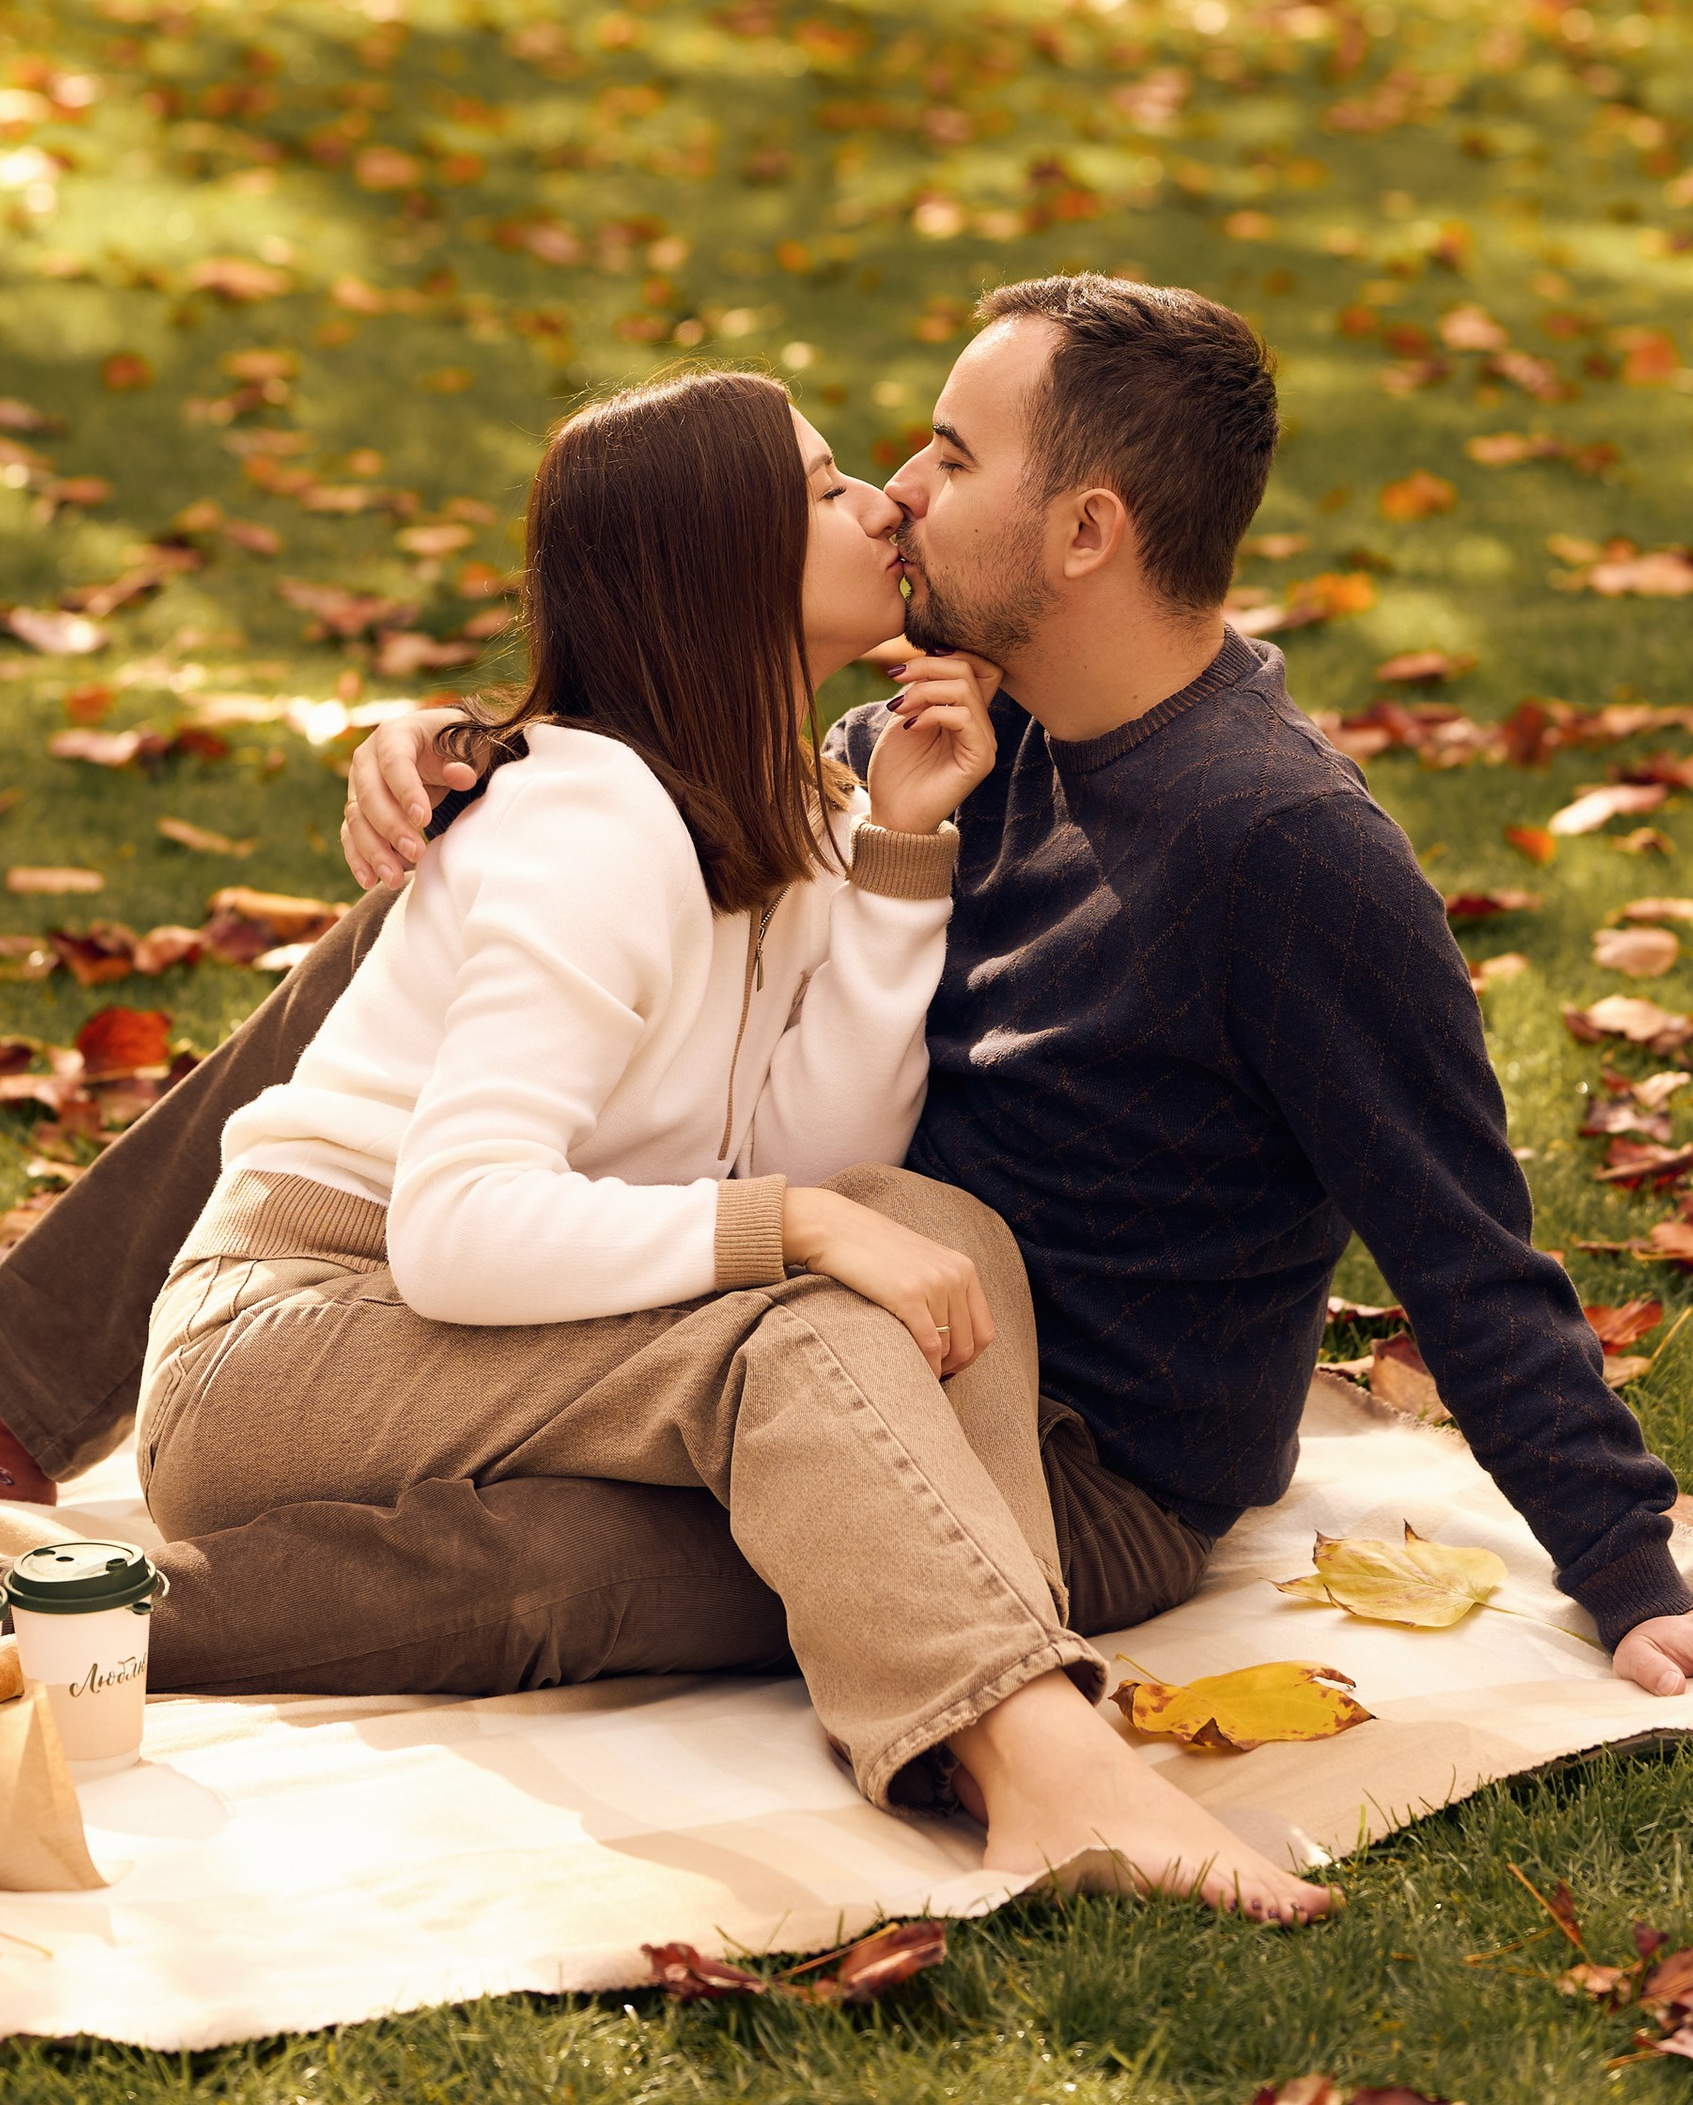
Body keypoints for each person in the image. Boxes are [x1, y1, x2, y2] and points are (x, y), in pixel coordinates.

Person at [0, 275, 1693, 1724]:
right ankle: (3, 1389)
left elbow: (1466, 1237)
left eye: (947, 459)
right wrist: (463, 749)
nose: (897, 489)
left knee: (547, 1580)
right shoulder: (964, 729)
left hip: (1053, 1458)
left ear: (1080, 528)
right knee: (444, 886)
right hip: (805, 1313)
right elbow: (660, 840)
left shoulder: (1278, 850)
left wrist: (1626, 1562)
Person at [126, 361, 1320, 1912]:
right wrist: (793, 1234)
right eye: (825, 490)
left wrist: (895, 858)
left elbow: (815, 1145)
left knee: (936, 1232)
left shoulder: (791, 807)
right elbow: (459, 1228)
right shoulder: (590, 819)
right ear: (718, 563)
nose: (885, 500)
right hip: (290, 1344)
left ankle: (1000, 1687)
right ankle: (1046, 1760)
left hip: (472, 1348)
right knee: (798, 1334)